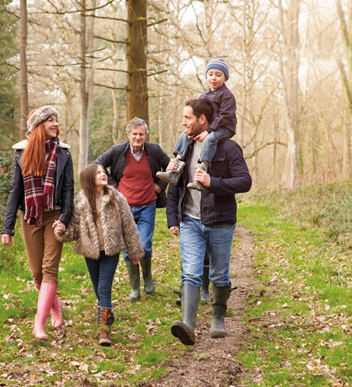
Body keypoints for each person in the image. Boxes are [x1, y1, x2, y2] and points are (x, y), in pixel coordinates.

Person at [166, 98, 252, 346]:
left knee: (218, 274)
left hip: (220, 221)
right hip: (190, 221)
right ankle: (188, 326)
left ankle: (218, 318)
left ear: (202, 119)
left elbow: (244, 182)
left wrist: (212, 183)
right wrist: (173, 216)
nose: (183, 122)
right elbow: (175, 185)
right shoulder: (184, 146)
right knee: (190, 273)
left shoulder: (228, 148)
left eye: (188, 118)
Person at [1, 106, 74, 340]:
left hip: (54, 216)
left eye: (56, 120)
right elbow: (15, 190)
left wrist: (65, 218)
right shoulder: (21, 153)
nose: (55, 124)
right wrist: (7, 227)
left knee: (49, 269)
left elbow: (69, 189)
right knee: (36, 273)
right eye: (50, 120)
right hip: (30, 217)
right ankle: (55, 306)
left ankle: (38, 325)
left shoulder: (63, 153)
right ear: (38, 126)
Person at [54, 164, 144, 346]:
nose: (103, 175)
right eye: (98, 173)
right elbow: (74, 231)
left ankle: (104, 331)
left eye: (104, 172)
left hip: (111, 251)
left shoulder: (116, 198)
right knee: (98, 290)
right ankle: (107, 312)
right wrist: (61, 230)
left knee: (104, 287)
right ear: (88, 179)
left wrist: (135, 250)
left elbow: (129, 225)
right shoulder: (80, 202)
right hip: (91, 252)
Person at [95, 117, 170, 301]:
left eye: (141, 134)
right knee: (129, 248)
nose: (138, 137)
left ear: (146, 135)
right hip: (123, 208)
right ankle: (135, 288)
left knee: (144, 245)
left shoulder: (154, 150)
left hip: (147, 205)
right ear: (128, 134)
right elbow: (98, 163)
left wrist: (160, 185)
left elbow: (171, 166)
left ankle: (148, 278)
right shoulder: (118, 151)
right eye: (134, 134)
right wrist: (113, 186)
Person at [157, 58, 237, 192]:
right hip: (209, 127)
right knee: (185, 134)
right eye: (210, 74)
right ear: (206, 76)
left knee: (210, 139)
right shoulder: (204, 95)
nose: (213, 78)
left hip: (224, 128)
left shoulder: (227, 96)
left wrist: (209, 131)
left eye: (218, 75)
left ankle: (202, 169)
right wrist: (197, 128)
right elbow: (200, 114)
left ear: (225, 79)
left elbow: (224, 116)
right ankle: (176, 168)